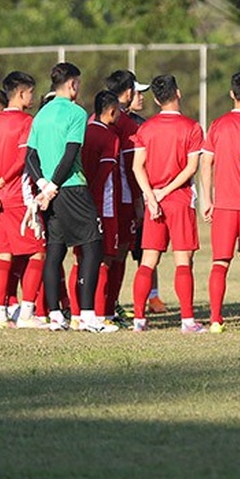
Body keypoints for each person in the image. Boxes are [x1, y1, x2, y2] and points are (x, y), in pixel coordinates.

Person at [26, 62, 116, 333]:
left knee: (55, 251)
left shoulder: (40, 116)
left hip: (51, 192)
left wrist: (43, 185)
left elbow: (29, 157)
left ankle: (55, 316)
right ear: (72, 84)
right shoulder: (76, 113)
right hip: (72, 187)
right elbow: (70, 153)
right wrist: (53, 185)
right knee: (92, 247)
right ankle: (88, 317)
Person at [130, 74, 206, 333]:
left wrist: (151, 196)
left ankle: (139, 319)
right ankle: (187, 321)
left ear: (155, 98)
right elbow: (191, 168)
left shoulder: (146, 128)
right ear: (179, 93)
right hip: (179, 200)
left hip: (155, 203)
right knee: (183, 260)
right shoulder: (191, 127)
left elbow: (136, 166)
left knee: (148, 261)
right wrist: (164, 193)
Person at [0, 71, 46, 329]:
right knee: (38, 253)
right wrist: (2, 182)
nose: (31, 97)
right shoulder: (26, 122)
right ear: (20, 94)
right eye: (30, 92)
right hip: (20, 197)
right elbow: (22, 159)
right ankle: (27, 314)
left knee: (4, 256)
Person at [200, 71, 240, 333]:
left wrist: (207, 198)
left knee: (219, 262)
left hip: (223, 204)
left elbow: (206, 162)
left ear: (231, 94)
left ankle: (216, 321)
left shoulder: (218, 125)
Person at [66, 89, 121, 328]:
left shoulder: (84, 131)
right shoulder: (110, 137)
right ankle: (98, 316)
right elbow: (103, 175)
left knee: (79, 261)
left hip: (76, 201)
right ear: (111, 111)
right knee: (104, 261)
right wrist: (94, 204)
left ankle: (77, 315)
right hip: (101, 207)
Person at [104, 69, 150, 325]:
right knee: (114, 255)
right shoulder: (128, 125)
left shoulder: (95, 119)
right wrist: (138, 202)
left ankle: (103, 308)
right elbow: (132, 167)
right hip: (121, 200)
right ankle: (104, 309)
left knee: (105, 256)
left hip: (103, 198)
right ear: (128, 92)